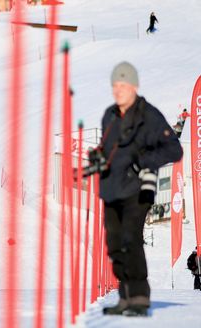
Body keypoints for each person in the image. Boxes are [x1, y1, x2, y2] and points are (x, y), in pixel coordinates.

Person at [97, 62, 183, 317]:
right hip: (112, 189)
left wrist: (142, 161)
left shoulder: (150, 115)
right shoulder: (109, 115)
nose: (118, 90)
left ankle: (139, 298)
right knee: (114, 244)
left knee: (129, 239)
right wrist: (98, 159)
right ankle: (125, 297)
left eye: (123, 85)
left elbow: (174, 150)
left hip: (138, 188)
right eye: (115, 85)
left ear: (134, 86)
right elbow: (108, 151)